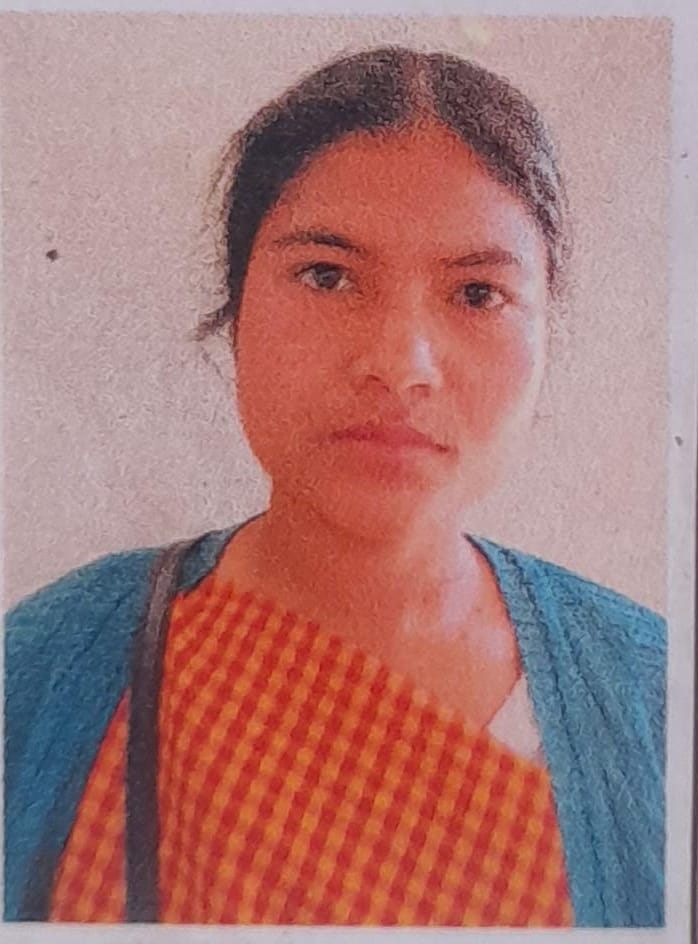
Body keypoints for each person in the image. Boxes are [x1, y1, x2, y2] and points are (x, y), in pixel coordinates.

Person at [4, 45, 665, 928]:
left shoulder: (648, 695)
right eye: (328, 275)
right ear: (235, 311)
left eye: (477, 294)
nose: (401, 364)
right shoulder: (53, 662)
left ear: (549, 336)